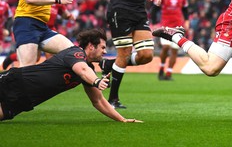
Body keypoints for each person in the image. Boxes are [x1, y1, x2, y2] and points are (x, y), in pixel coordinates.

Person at [0, 28, 142, 123]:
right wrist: (98, 81)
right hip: (16, 81)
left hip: (26, 100)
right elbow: (81, 70)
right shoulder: (75, 53)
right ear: (91, 46)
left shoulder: (89, 68)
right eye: (103, 47)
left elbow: (98, 101)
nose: (105, 52)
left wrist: (121, 119)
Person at [152, 0, 189, 81]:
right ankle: (161, 67)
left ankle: (168, 73)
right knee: (165, 47)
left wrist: (186, 21)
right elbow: (155, 9)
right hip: (165, 26)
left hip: (178, 27)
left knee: (174, 50)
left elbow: (185, 9)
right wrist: (154, 23)